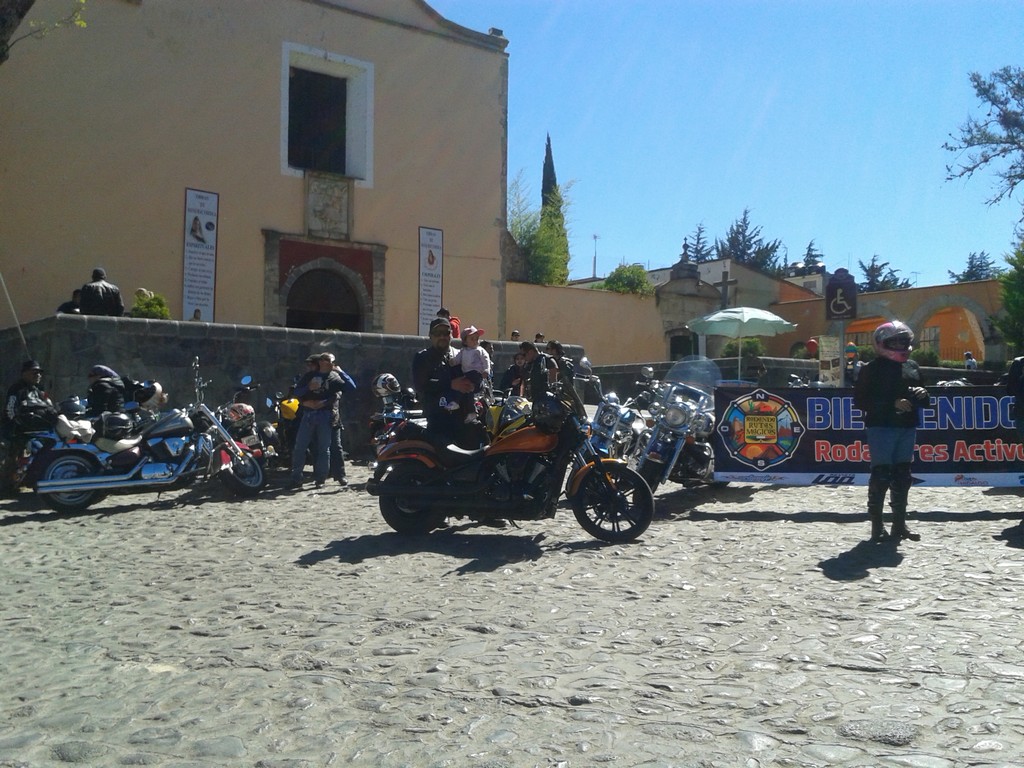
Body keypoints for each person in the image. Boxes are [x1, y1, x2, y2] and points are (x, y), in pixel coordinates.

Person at [853, 320, 930, 543]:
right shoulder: (871, 369)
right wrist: (891, 404)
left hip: (907, 426)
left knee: (903, 476)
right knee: (881, 475)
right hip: (881, 426)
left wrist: (922, 394)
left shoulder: (912, 366)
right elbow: (860, 401)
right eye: (894, 342)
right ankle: (877, 526)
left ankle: (899, 525)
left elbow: (925, 397)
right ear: (882, 344)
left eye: (902, 342)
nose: (899, 346)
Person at [412, 317, 478, 446]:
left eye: (446, 333)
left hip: (462, 419)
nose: (442, 336)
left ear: (451, 335)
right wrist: (450, 384)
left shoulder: (460, 355)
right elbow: (421, 385)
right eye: (438, 333)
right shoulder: (422, 357)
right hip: (437, 418)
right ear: (430, 336)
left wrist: (473, 384)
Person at [290, 352, 346, 489]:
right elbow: (298, 393)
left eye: (311, 364)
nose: (309, 367)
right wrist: (305, 402)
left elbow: (338, 393)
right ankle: (298, 477)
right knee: (302, 447)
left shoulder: (332, 377)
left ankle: (334, 476)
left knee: (332, 448)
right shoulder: (308, 377)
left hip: (330, 416)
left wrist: (322, 403)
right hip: (309, 415)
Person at [1, 360, 55, 494]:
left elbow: (48, 408)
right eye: (34, 372)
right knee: (12, 458)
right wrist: (18, 425)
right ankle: (6, 486)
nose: (37, 375)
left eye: (39, 373)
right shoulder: (17, 389)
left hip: (36, 431)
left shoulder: (39, 391)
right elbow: (10, 410)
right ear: (24, 374)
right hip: (15, 431)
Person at [321, 352, 357, 487]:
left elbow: (350, 386)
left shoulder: (336, 377)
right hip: (316, 416)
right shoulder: (315, 376)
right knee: (319, 447)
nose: (330, 364)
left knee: (336, 447)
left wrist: (341, 372)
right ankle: (321, 476)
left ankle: (340, 475)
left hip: (332, 417)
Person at [448, 325, 491, 421]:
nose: (475, 341)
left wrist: (486, 370)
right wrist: (453, 361)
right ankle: (470, 410)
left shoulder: (479, 350)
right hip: (467, 373)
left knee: (466, 386)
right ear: (465, 341)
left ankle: (457, 402)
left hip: (476, 373)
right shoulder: (463, 351)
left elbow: (486, 359)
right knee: (466, 390)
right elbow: (458, 359)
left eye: (477, 339)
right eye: (472, 339)